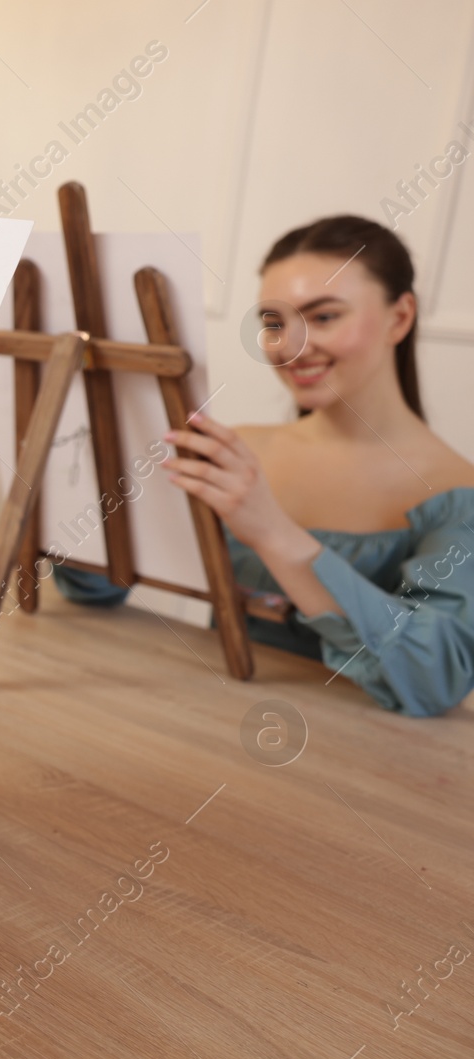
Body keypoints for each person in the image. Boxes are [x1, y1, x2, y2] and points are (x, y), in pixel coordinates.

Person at [56, 215, 474, 717]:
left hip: (357, 764)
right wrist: (92, 471)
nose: (289, 346)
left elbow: (434, 679)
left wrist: (273, 531)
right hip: (202, 721)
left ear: (399, 318)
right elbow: (93, 591)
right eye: (275, 323)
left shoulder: (456, 493)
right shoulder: (236, 451)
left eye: (323, 317)